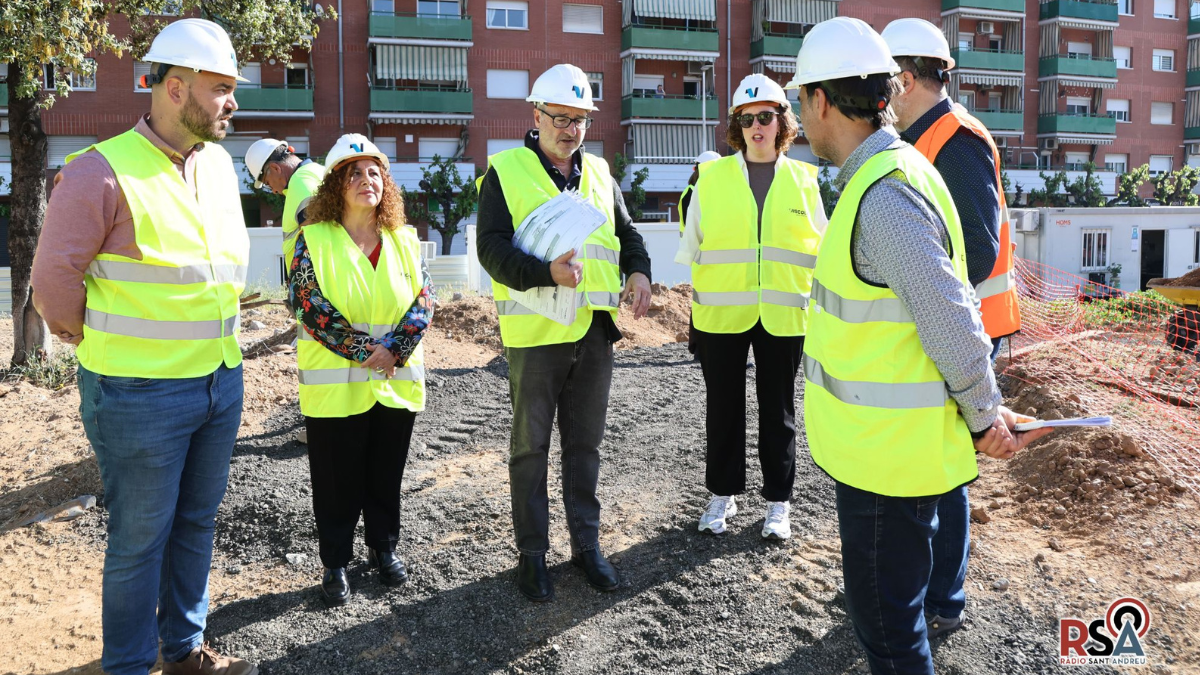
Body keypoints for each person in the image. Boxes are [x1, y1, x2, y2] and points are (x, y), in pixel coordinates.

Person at [785, 17, 1053, 675]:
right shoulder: (892, 171)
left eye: (798, 101)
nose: (798, 117)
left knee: (891, 634)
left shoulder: (883, 194)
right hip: (886, 452)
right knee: (890, 625)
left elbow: (949, 313)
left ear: (822, 100)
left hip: (888, 463)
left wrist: (985, 412)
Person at [30, 19, 257, 675]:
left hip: (219, 380)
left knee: (196, 524)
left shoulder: (215, 166)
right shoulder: (98, 171)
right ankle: (129, 664)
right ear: (177, 88)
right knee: (138, 541)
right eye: (221, 89)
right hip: (138, 393)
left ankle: (183, 649)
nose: (231, 102)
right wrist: (74, 330)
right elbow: (51, 280)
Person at [476, 63, 653, 602]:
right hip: (535, 336)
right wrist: (544, 274)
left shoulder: (599, 174)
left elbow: (627, 234)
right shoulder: (505, 172)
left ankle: (586, 548)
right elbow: (491, 250)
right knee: (529, 450)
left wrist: (640, 271)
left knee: (586, 448)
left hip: (595, 335)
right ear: (536, 116)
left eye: (579, 119)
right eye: (560, 117)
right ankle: (532, 555)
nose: (570, 128)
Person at [882, 16, 1023, 640]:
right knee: (927, 459)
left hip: (965, 330)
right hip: (944, 325)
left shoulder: (956, 139)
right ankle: (921, 590)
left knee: (944, 465)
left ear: (905, 79)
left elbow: (974, 247)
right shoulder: (922, 139)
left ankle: (943, 598)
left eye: (882, 82)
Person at [676, 73, 826, 540]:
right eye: (746, 119)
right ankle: (722, 494)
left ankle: (778, 504)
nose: (756, 126)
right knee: (723, 410)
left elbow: (820, 253)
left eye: (766, 116)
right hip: (721, 316)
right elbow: (692, 247)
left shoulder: (806, 180)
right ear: (736, 125)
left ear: (782, 121)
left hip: (783, 317)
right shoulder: (712, 178)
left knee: (778, 413)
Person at [287, 134, 432, 607]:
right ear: (334, 184)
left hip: (394, 382)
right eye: (353, 171)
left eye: (374, 172)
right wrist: (365, 349)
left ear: (385, 184)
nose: (365, 179)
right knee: (335, 479)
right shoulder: (313, 238)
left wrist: (395, 350)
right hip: (336, 389)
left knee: (384, 475)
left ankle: (383, 549)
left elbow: (423, 302)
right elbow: (309, 304)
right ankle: (335, 563)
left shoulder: (405, 240)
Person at [244, 138, 327, 269]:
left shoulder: (301, 181)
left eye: (268, 183)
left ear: (275, 168)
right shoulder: (317, 171)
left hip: (313, 283)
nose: (274, 191)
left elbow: (317, 241)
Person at [679, 150, 721, 358]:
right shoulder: (691, 193)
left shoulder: (709, 191)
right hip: (702, 256)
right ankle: (699, 349)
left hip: (713, 257)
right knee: (704, 302)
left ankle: (700, 348)